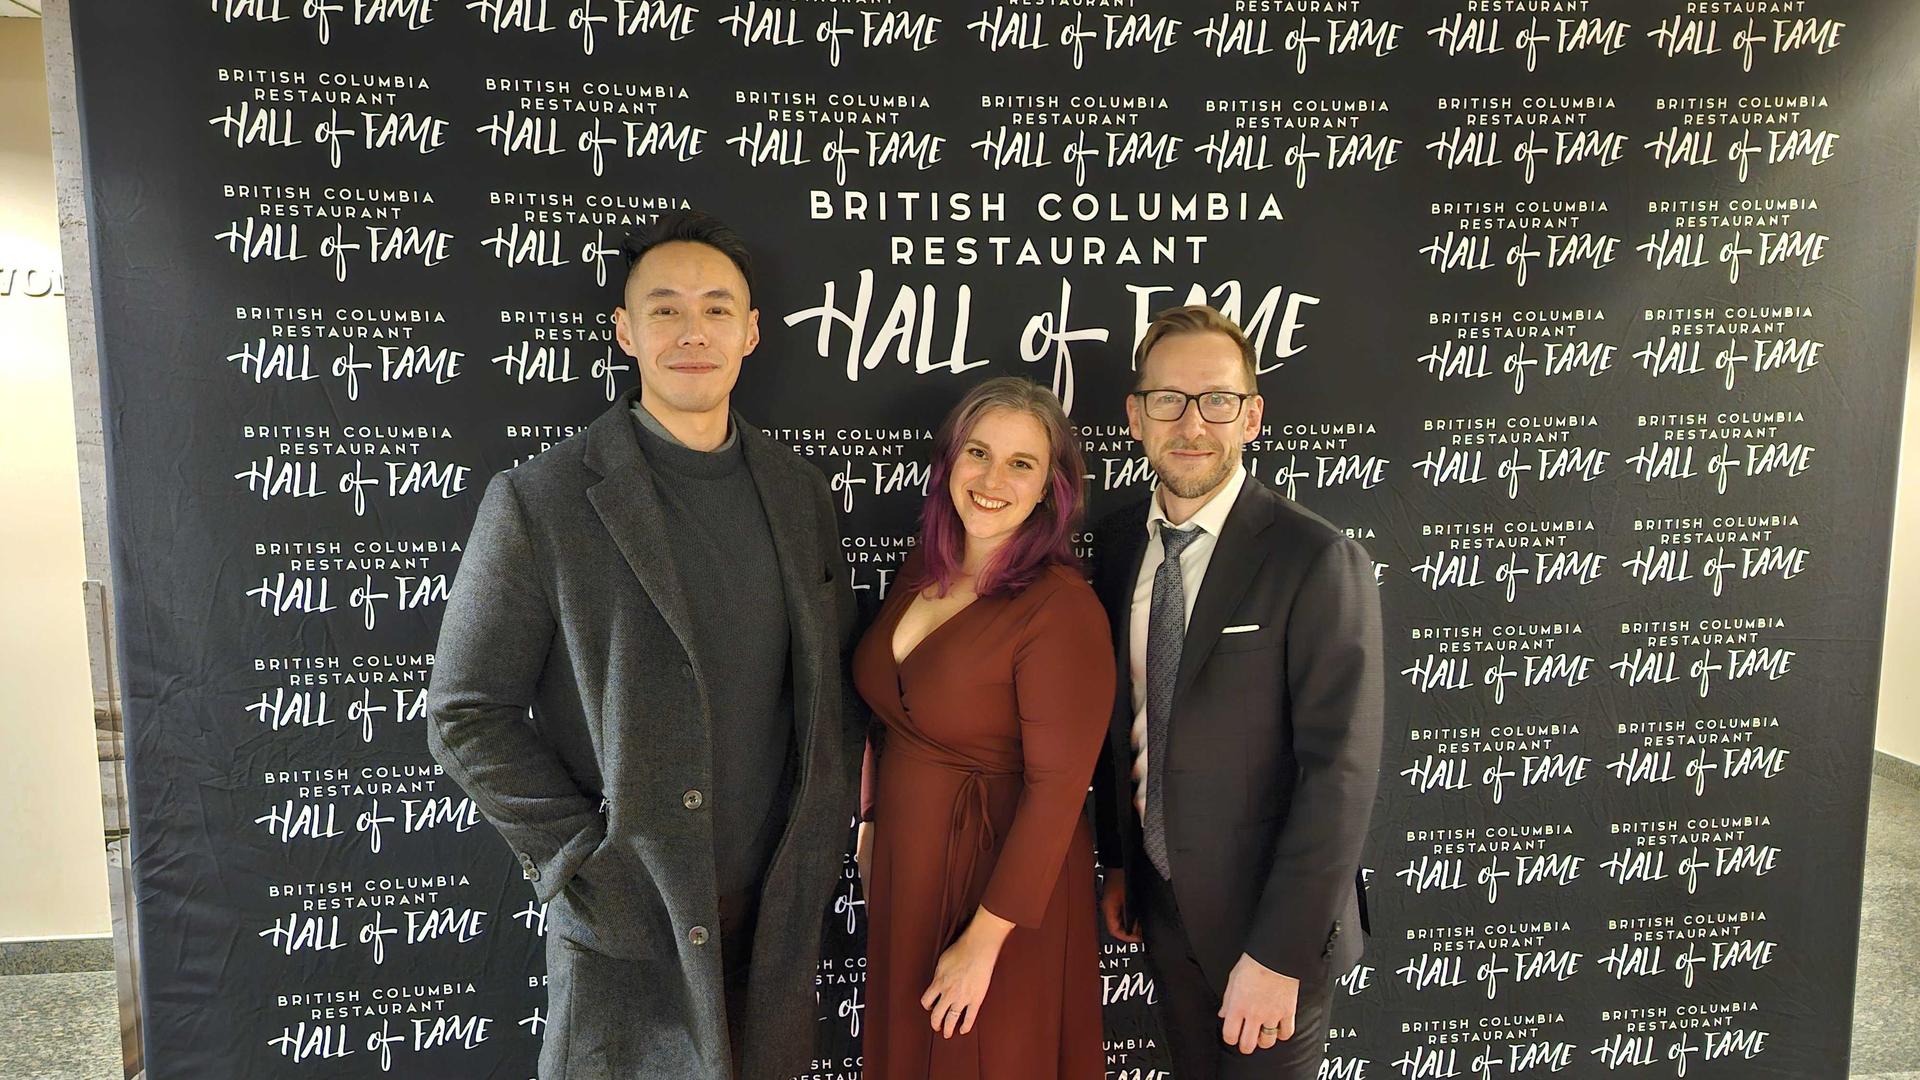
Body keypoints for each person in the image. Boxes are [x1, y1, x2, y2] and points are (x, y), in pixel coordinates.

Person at [425, 210, 862, 1080]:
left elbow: (824, 695)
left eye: (715, 308)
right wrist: (581, 862)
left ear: (750, 333)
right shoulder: (539, 500)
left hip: (777, 920)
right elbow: (466, 712)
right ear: (625, 333)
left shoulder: (801, 495)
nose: (691, 331)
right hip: (630, 927)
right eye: (664, 310)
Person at [1090, 305, 1384, 1080]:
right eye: (1168, 400)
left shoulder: (1315, 558)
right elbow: (1126, 722)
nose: (1192, 423)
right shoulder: (1118, 546)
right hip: (1160, 903)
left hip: (1270, 926)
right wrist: (1121, 863)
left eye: (1217, 399)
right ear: (1135, 416)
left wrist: (1278, 956)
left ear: (1252, 415)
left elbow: (1340, 776)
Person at [851, 376, 1115, 1079]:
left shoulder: (1062, 610)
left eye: (1021, 463)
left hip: (998, 893)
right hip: (907, 873)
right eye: (978, 453)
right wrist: (870, 825)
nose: (992, 479)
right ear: (949, 465)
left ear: (1050, 489)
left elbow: (1059, 792)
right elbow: (885, 716)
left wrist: (983, 943)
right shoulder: (922, 570)